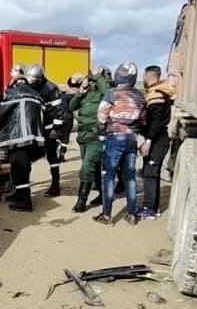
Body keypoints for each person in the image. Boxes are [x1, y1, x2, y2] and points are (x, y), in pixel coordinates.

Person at [95, 62, 146, 225]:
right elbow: (144, 119)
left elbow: (101, 114)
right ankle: (132, 214)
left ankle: (107, 215)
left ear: (118, 75)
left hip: (115, 137)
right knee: (130, 177)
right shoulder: (140, 96)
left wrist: (103, 126)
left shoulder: (112, 93)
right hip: (132, 138)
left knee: (109, 177)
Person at [0, 70, 45, 211]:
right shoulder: (37, 95)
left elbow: (2, 115)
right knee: (24, 167)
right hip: (34, 138)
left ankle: (25, 201)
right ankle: (18, 194)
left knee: (19, 169)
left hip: (18, 138)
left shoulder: (12, 94)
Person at [66, 68, 108, 213]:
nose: (89, 83)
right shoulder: (85, 95)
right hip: (83, 138)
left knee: (86, 168)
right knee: (94, 168)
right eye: (88, 80)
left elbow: (107, 93)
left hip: (95, 137)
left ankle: (81, 201)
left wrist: (98, 77)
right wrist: (80, 93)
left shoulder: (101, 95)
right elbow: (71, 106)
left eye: (92, 80)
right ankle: (103, 195)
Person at [138, 65, 176, 220]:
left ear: (149, 76)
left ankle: (149, 209)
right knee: (153, 173)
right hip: (160, 137)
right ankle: (154, 208)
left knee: (150, 173)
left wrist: (147, 140)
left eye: (145, 76)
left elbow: (156, 122)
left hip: (157, 139)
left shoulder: (156, 94)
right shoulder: (164, 90)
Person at [26, 64, 65, 197]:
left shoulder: (51, 88)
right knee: (28, 156)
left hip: (49, 128)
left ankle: (55, 186)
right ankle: (25, 186)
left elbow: (59, 111)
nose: (33, 84)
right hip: (36, 127)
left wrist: (56, 129)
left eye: (35, 81)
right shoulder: (31, 85)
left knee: (52, 156)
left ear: (40, 78)